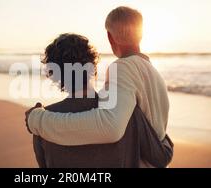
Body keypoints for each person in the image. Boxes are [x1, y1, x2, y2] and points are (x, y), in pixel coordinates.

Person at [26, 6, 173, 167]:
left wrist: (37, 119)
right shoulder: (153, 81)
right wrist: (166, 147)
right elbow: (156, 144)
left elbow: (110, 128)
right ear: (92, 67)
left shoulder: (47, 121)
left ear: (54, 74)